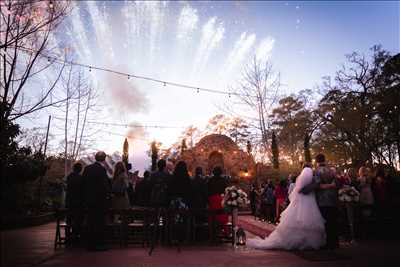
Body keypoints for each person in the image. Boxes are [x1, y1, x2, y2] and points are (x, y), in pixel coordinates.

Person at [247, 166, 326, 250]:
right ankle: (304, 242)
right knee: (307, 221)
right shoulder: (309, 183)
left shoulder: (302, 182)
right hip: (308, 202)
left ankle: (304, 242)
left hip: (305, 202)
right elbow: (304, 190)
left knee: (303, 221)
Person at [300, 154, 339, 249]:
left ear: (316, 161)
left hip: (322, 199)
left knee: (326, 221)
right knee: (333, 220)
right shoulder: (332, 170)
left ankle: (329, 243)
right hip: (333, 198)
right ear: (324, 160)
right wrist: (331, 186)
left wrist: (305, 190)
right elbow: (337, 183)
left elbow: (317, 184)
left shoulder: (317, 171)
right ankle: (335, 241)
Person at [82, 151, 111, 251]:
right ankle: (98, 244)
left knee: (90, 222)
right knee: (99, 223)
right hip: (99, 201)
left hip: (89, 200)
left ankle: (89, 244)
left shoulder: (87, 168)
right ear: (104, 159)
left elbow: (83, 183)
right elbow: (104, 186)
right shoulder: (101, 170)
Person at [65, 162, 84, 242]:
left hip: (69, 200)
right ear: (80, 169)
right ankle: (76, 235)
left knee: (69, 218)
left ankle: (68, 234)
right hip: (78, 201)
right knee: (78, 219)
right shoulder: (80, 178)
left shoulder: (69, 177)